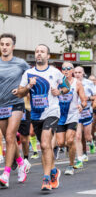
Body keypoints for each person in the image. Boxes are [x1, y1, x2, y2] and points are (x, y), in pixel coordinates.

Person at [16, 44, 70, 191]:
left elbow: (67, 87)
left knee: (45, 144)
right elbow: (20, 93)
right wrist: (28, 86)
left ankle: (46, 179)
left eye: (42, 52)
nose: (39, 54)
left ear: (48, 56)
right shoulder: (28, 73)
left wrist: (59, 91)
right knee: (45, 147)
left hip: (52, 112)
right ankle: (53, 171)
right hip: (35, 114)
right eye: (37, 51)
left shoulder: (55, 72)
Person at [0, 33, 31, 188]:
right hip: (1, 106)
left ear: (13, 47)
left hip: (16, 104)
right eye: (2, 44)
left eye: (7, 44)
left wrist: (23, 89)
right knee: (8, 138)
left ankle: (5, 174)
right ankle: (21, 163)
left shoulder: (21, 63)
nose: (4, 47)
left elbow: (32, 78)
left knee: (11, 136)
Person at [56, 62, 87, 175]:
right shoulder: (57, 82)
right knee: (60, 143)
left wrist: (81, 106)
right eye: (64, 68)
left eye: (69, 68)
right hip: (60, 116)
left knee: (70, 140)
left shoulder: (77, 83)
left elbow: (84, 99)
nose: (66, 70)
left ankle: (71, 165)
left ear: (72, 70)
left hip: (73, 115)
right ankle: (71, 149)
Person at [74, 66, 96, 169]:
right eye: (76, 72)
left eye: (79, 72)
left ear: (83, 73)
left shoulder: (89, 83)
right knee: (78, 136)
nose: (77, 74)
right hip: (76, 113)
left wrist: (88, 98)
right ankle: (81, 156)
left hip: (87, 112)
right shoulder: (71, 83)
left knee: (87, 136)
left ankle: (91, 142)